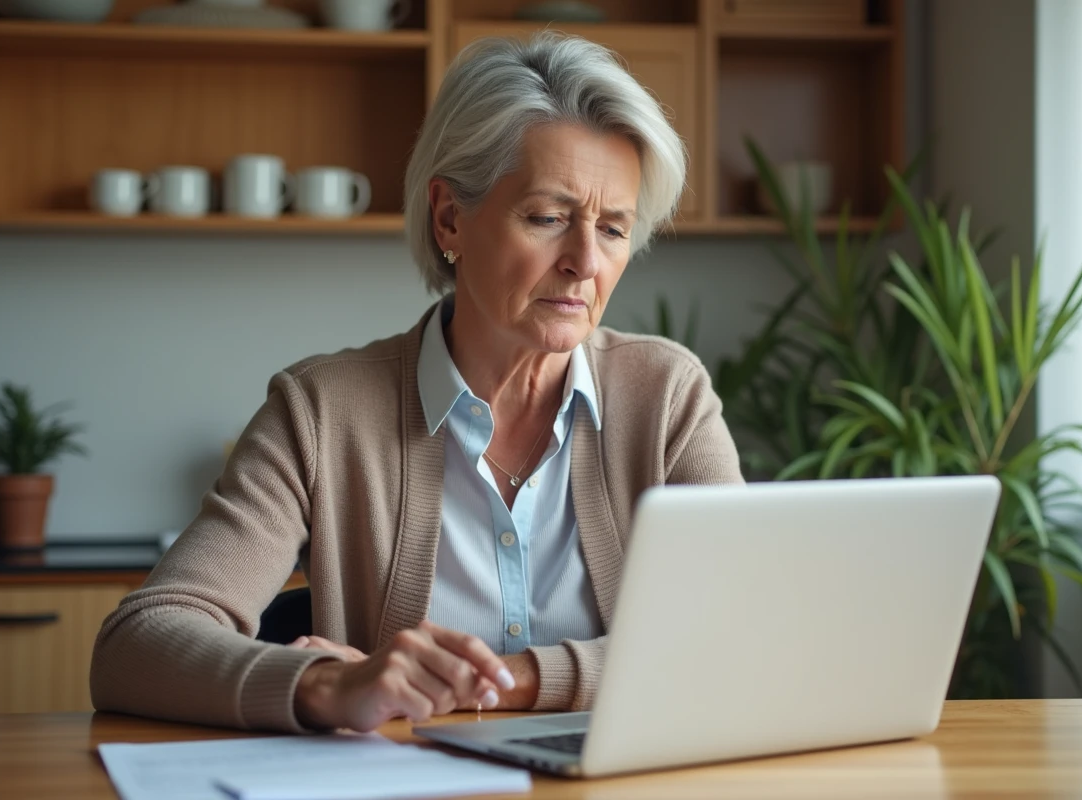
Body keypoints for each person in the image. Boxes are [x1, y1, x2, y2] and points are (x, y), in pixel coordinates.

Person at [90, 31, 743, 734]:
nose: (585, 261)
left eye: (613, 229)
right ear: (449, 218)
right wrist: (327, 684)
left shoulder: (667, 396)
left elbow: (743, 633)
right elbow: (136, 645)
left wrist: (508, 683)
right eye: (548, 218)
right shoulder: (320, 412)